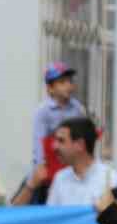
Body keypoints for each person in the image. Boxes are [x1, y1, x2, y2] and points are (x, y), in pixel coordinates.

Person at [25, 116, 117, 207]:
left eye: (61, 141)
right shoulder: (60, 179)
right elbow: (52, 219)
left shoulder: (113, 181)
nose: (54, 146)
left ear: (80, 145)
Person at [29, 61, 88, 192]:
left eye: (69, 81)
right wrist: (40, 166)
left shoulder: (77, 108)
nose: (68, 86)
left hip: (71, 164)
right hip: (50, 165)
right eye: (62, 82)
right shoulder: (43, 111)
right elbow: (39, 142)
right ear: (50, 88)